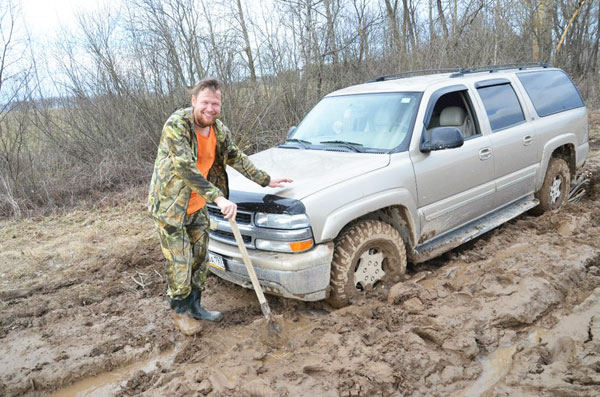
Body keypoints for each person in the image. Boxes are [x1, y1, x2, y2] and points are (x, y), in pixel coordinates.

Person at [147, 78, 291, 334]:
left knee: (200, 259)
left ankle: (196, 306)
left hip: (199, 204)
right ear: (194, 101)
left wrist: (265, 180)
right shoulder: (176, 126)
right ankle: (179, 312)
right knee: (180, 261)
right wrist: (219, 197)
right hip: (171, 208)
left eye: (215, 103)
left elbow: (236, 156)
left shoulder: (219, 130)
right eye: (205, 102)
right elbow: (185, 168)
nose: (210, 108)